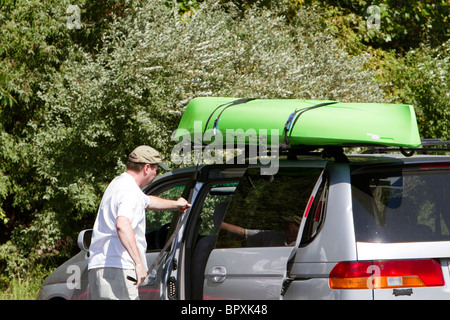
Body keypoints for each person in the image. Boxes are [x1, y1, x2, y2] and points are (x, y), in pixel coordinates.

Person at [88, 145, 190, 300]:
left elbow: (146, 201)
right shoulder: (130, 192)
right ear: (147, 168)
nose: (156, 175)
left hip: (100, 267)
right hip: (120, 268)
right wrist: (138, 263)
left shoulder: (118, 184)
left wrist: (175, 204)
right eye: (157, 170)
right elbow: (122, 224)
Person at [220, 215, 301, 247]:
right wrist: (218, 224)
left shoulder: (306, 244)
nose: (284, 225)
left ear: (299, 227)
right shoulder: (272, 236)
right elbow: (242, 232)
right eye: (285, 222)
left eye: (289, 223)